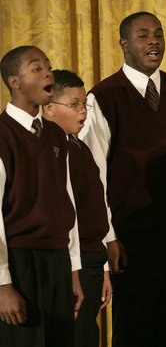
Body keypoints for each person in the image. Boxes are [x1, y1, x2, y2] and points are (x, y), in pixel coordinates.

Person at [80, 12, 166, 346]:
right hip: (131, 236)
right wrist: (109, 238)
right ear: (124, 44)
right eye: (144, 35)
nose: (154, 42)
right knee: (135, 326)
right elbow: (94, 176)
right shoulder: (103, 97)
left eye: (158, 34)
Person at [0, 46, 83, 346]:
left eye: (48, 66)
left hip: (57, 260)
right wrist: (3, 284)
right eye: (36, 68)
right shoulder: (4, 135)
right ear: (15, 82)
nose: (48, 72)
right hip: (20, 262)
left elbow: (66, 199)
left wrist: (73, 270)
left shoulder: (56, 134)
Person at [42, 69, 114, 347]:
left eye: (85, 104)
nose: (83, 111)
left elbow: (96, 206)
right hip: (73, 262)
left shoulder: (79, 147)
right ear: (49, 108)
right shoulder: (49, 151)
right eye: (74, 105)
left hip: (93, 258)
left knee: (87, 334)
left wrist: (104, 266)